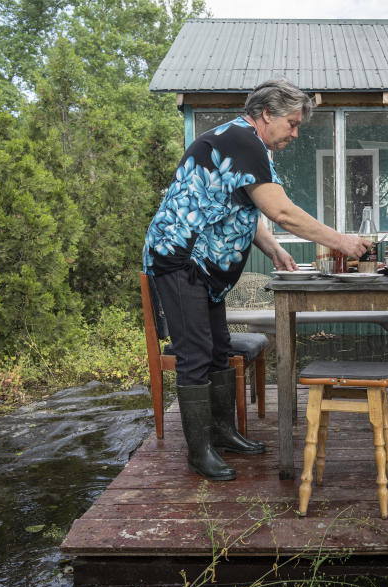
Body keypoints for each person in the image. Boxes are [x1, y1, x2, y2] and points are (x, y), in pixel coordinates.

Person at [142, 78, 371, 481]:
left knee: (217, 349)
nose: (296, 133)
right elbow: (282, 212)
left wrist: (275, 250)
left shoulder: (243, 142)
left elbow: (245, 208)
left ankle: (224, 433)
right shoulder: (242, 141)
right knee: (195, 355)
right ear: (267, 114)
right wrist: (342, 242)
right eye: (292, 123)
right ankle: (199, 453)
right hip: (179, 260)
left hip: (204, 267)